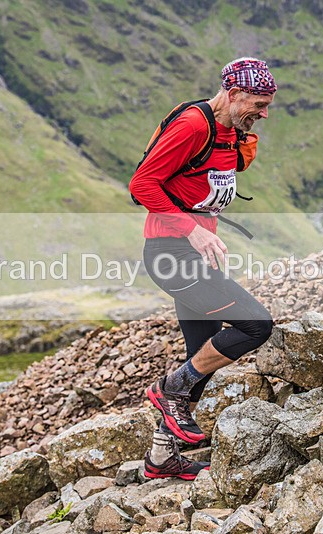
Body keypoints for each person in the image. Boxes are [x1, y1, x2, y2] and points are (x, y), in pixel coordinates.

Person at [128, 57, 277, 479]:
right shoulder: (193, 125)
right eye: (259, 104)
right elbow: (141, 185)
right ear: (234, 93)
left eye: (267, 106)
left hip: (193, 254)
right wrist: (192, 230)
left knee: (203, 357)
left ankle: (161, 458)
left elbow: (226, 169)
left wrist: (243, 132)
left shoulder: (229, 129)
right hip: (171, 253)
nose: (264, 114)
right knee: (256, 325)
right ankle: (169, 388)